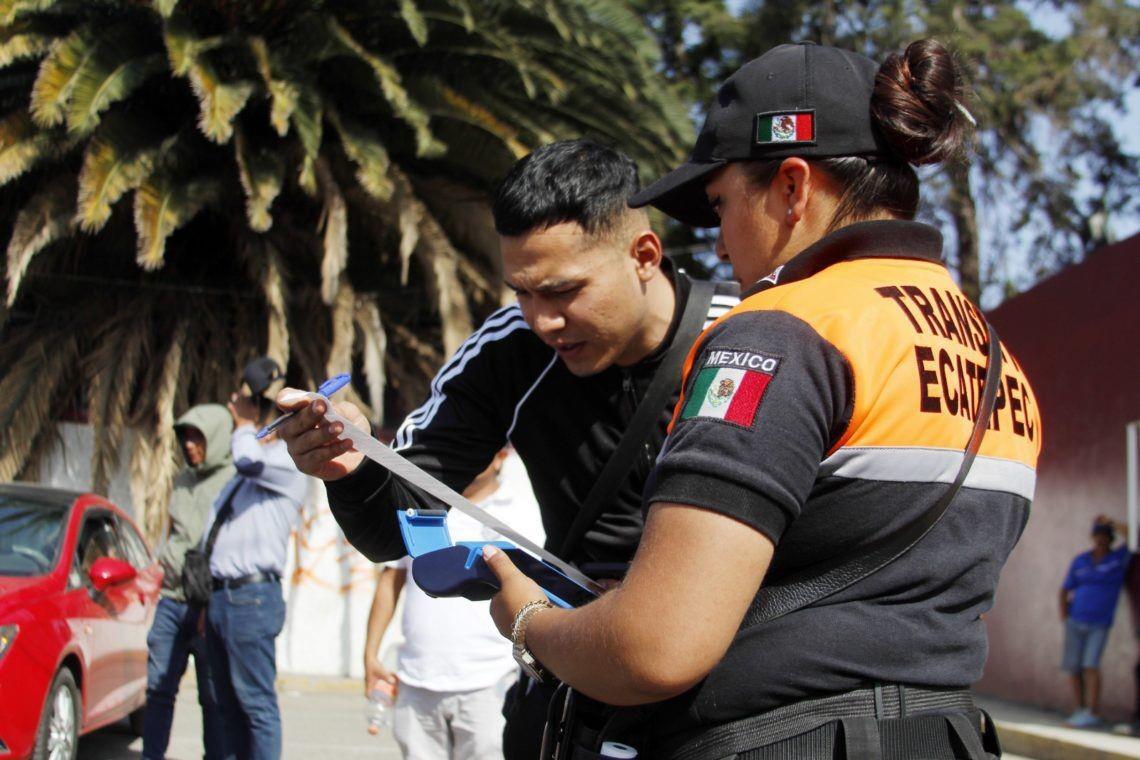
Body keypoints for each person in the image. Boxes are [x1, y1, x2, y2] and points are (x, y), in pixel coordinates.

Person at [481, 39, 1044, 759]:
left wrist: (529, 619)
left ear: (792, 187)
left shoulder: (782, 332)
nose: (716, 246)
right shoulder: (996, 359)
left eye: (720, 206)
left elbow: (654, 648)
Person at [274, 139, 738, 758]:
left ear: (644, 255)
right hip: (573, 705)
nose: (541, 320)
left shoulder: (749, 341)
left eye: (564, 290)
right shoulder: (508, 349)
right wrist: (353, 467)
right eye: (522, 290)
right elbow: (399, 521)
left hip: (727, 714)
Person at [364, 449, 544, 759]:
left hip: (489, 683)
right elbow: (389, 580)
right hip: (416, 680)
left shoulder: (522, 514)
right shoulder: (422, 507)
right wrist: (370, 653)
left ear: (500, 456)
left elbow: (538, 592)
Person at [203, 358, 307, 760]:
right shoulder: (240, 482)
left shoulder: (284, 463)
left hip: (252, 599)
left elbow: (247, 459)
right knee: (223, 707)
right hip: (219, 600)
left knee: (256, 705)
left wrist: (245, 424)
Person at [142, 404, 233, 760]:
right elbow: (175, 532)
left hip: (208, 602)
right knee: (158, 689)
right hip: (171, 599)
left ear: (215, 438)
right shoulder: (180, 480)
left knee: (212, 696)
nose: (190, 446)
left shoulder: (232, 479)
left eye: (198, 437)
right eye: (186, 438)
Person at [1061, 515, 1131, 727]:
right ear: (1092, 537)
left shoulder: (1118, 559)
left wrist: (1112, 523)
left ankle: (1093, 711)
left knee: (1090, 665)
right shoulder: (1081, 560)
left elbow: (1132, 537)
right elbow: (1064, 590)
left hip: (1099, 623)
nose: (1101, 540)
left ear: (1111, 539)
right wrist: (1065, 616)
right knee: (1074, 668)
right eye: (1098, 535)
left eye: (1105, 536)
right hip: (1075, 621)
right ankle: (1080, 709)